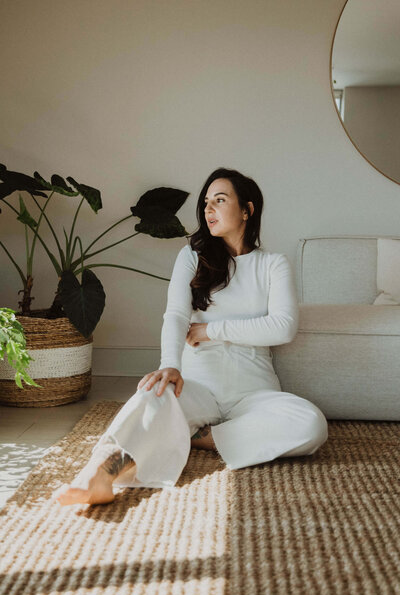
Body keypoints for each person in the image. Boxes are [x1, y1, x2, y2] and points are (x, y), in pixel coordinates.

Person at [53, 167, 328, 506]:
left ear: (247, 210)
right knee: (150, 394)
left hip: (254, 393)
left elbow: (283, 327)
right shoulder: (192, 256)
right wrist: (170, 365)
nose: (209, 209)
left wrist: (211, 330)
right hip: (198, 387)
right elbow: (176, 315)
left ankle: (206, 437)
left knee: (311, 423)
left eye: (220, 200)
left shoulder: (273, 264)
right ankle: (100, 474)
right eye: (206, 202)